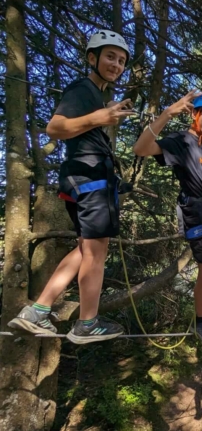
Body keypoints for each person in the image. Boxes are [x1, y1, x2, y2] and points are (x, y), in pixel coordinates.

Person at [9, 30, 135, 344]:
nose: (116, 64)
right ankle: (87, 323)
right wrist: (99, 116)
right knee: (96, 249)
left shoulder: (96, 95)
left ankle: (37, 311)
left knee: (85, 249)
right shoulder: (83, 88)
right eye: (110, 57)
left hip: (88, 182)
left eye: (121, 61)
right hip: (90, 182)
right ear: (92, 58)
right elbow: (55, 127)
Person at [133, 90, 202, 347]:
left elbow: (200, 175)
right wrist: (167, 114)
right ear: (194, 114)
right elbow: (141, 148)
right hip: (193, 213)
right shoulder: (180, 140)